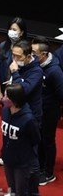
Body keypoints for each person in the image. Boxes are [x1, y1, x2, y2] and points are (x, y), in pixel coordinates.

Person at [0, 84, 41, 196]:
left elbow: (35, 140)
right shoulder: (4, 112)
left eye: (6, 96)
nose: (3, 98)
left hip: (22, 163)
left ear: (14, 100)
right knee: (14, 194)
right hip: (9, 160)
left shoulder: (28, 119)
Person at [8, 40, 44, 196]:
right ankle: (16, 190)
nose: (14, 59)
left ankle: (33, 194)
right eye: (13, 55)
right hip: (14, 113)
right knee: (13, 152)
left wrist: (15, 74)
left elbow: (24, 90)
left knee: (31, 157)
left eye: (18, 56)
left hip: (30, 117)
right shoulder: (18, 66)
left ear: (28, 56)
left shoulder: (36, 71)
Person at [32, 37, 63, 185]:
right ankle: (39, 167)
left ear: (43, 54)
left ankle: (48, 172)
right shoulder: (35, 66)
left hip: (50, 111)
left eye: (34, 53)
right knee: (38, 139)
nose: (31, 55)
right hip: (38, 110)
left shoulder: (55, 71)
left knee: (48, 140)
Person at [0, 17, 27, 100]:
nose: (11, 31)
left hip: (17, 89)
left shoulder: (25, 50)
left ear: (21, 33)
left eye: (14, 29)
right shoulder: (3, 46)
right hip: (3, 88)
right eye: (10, 29)